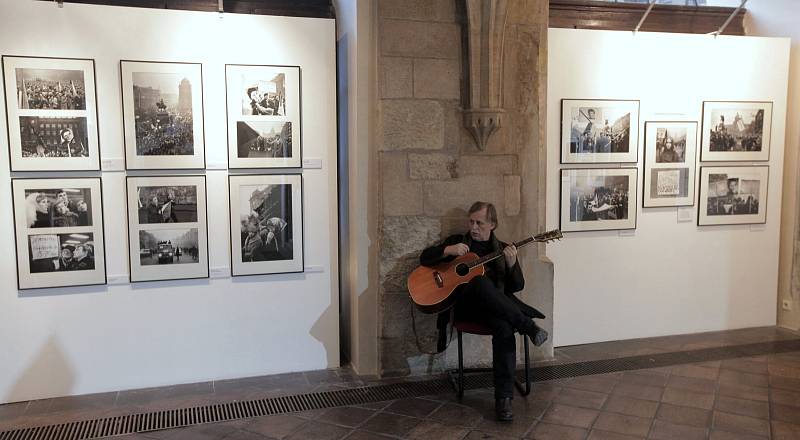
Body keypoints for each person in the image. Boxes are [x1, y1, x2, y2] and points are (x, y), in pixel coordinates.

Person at [419, 201, 548, 422]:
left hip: (495, 311)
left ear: (493, 224)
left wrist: (511, 263)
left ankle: (504, 400)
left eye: (479, 223)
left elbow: (517, 286)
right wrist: (448, 250)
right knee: (479, 282)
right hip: (467, 309)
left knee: (505, 326)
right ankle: (528, 326)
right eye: (471, 222)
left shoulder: (503, 248)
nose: (474, 228)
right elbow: (425, 258)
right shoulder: (458, 243)